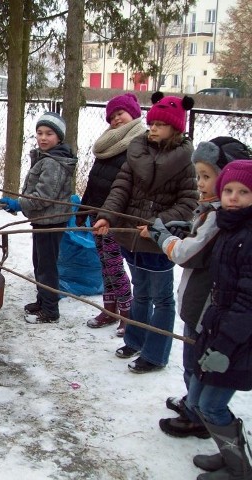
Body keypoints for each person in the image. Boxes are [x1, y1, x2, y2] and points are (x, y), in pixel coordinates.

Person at [149, 138, 252, 440]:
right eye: (199, 176)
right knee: (193, 363)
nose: (201, 183)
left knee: (195, 364)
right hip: (203, 308)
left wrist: (162, 235)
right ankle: (194, 405)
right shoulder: (217, 215)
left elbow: (188, 254)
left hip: (208, 312)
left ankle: (197, 416)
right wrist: (188, 226)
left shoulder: (222, 219)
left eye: (208, 176)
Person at [93, 92, 198, 374]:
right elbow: (120, 189)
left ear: (175, 128)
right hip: (130, 237)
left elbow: (188, 203)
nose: (152, 129)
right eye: (151, 123)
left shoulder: (185, 164)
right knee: (141, 292)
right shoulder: (136, 153)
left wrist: (157, 225)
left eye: (160, 125)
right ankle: (135, 339)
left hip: (159, 242)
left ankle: (156, 354)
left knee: (162, 299)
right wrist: (106, 216)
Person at [177, 160, 252, 478]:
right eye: (229, 190)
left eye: (244, 191)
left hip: (238, 339)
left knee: (211, 405)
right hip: (217, 327)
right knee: (197, 398)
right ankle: (228, 451)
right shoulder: (228, 227)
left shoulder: (248, 237)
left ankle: (240, 469)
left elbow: (247, 302)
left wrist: (224, 345)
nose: (234, 197)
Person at [0, 112, 78, 324]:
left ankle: (50, 311)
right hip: (43, 220)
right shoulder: (46, 157)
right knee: (40, 263)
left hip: (52, 222)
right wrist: (21, 204)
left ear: (59, 137)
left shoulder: (54, 162)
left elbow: (42, 197)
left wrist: (18, 203)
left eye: (49, 134)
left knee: (47, 266)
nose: (43, 138)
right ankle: (43, 301)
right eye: (40, 133)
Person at [80, 93, 146, 336]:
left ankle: (127, 313)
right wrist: (84, 209)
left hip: (116, 216)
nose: (117, 119)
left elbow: (130, 186)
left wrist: (113, 214)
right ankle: (110, 308)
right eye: (113, 115)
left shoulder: (139, 144)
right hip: (97, 212)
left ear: (134, 114)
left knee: (114, 264)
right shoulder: (106, 144)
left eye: (121, 113)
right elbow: (95, 180)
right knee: (104, 263)